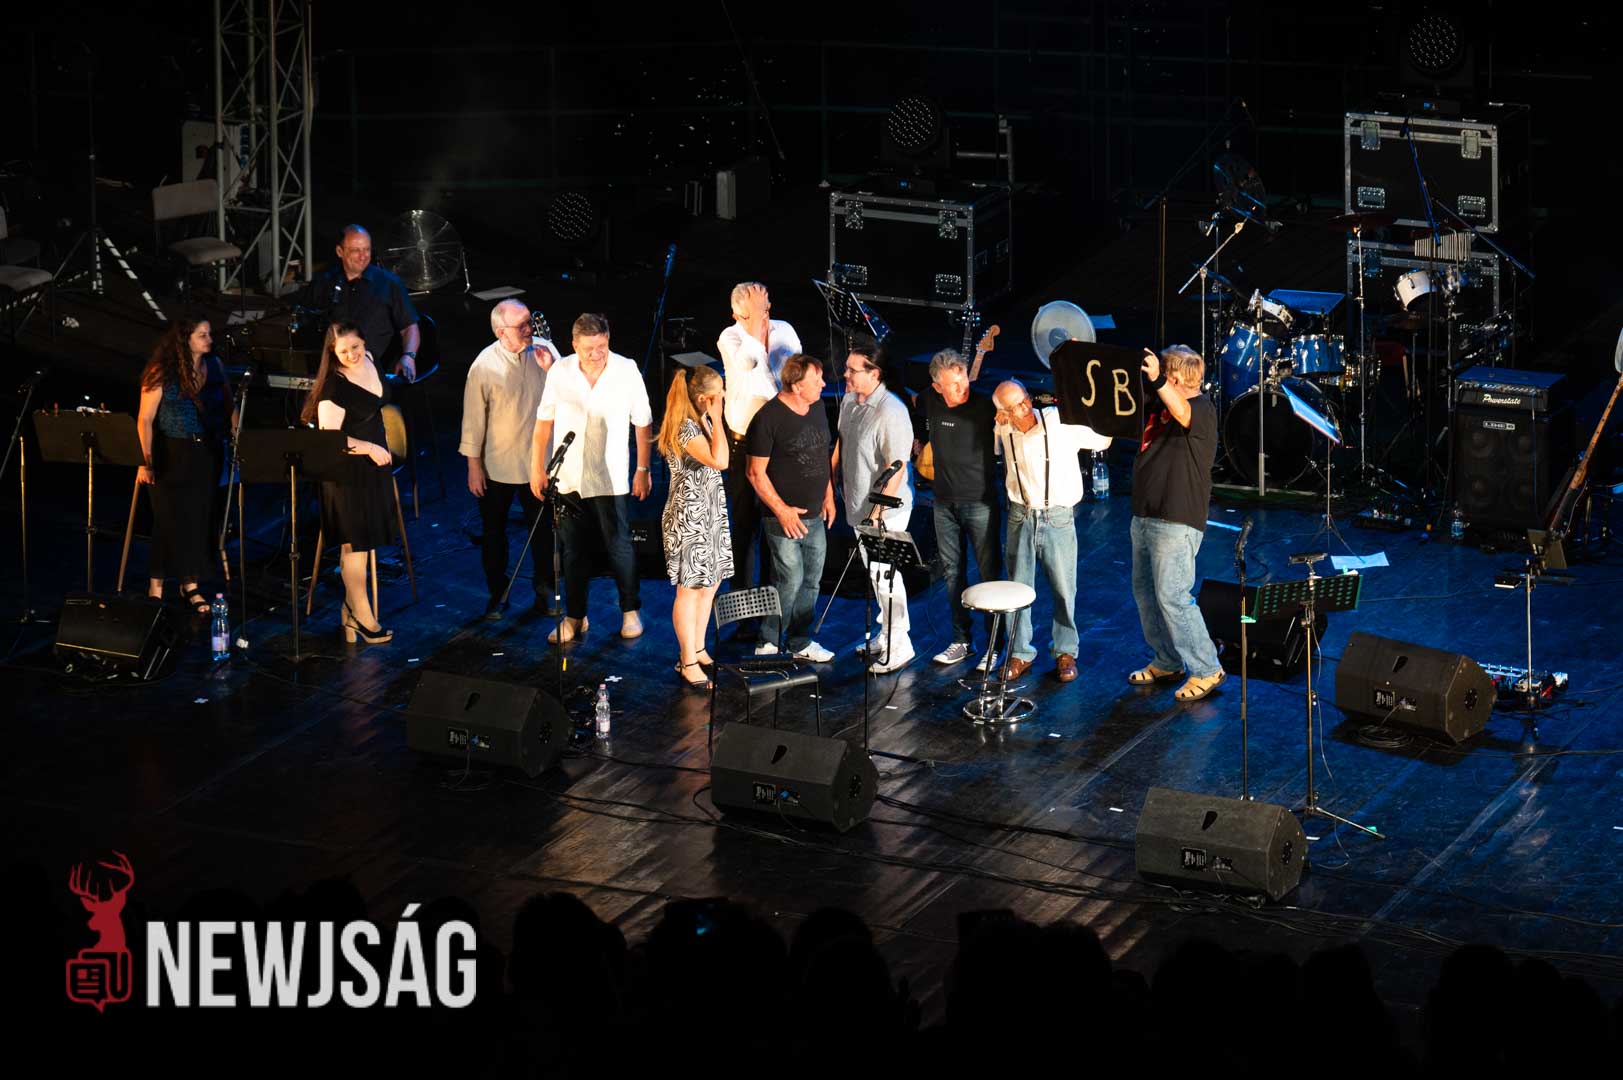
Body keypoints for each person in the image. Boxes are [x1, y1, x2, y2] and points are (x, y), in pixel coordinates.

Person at [529, 313, 652, 644]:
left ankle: (630, 611)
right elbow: (543, 423)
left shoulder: (626, 370)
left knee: (619, 546)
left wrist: (643, 469)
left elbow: (643, 422)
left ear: (608, 340)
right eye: (588, 349)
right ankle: (575, 617)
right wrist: (537, 468)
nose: (596, 354)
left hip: (610, 476)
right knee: (572, 550)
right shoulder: (560, 371)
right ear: (574, 345)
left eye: (601, 346)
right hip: (569, 475)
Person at [992, 379, 1111, 683]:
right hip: (1020, 515)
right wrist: (1000, 424)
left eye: (1024, 398)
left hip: (1056, 515)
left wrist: (1098, 407)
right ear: (1003, 413)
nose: (1025, 407)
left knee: (1063, 588)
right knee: (1017, 588)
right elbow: (995, 447)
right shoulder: (1003, 429)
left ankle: (1065, 651)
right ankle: (1019, 652)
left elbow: (1102, 440)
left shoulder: (1058, 422)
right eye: (1015, 406)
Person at [1129, 345, 1225, 702]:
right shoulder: (1160, 404)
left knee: (1173, 596)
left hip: (1176, 518)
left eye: (1165, 376)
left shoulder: (1202, 409)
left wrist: (1157, 380)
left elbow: (1182, 411)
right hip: (1145, 512)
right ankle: (1167, 660)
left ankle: (1206, 667)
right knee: (1146, 593)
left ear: (1175, 378)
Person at [460, 299, 559, 620]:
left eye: (530, 321)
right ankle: (497, 594)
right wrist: (473, 466)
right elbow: (473, 420)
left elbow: (569, 393)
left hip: (538, 463)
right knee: (494, 534)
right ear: (501, 332)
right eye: (522, 325)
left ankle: (545, 591)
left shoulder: (545, 351)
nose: (529, 329)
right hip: (497, 465)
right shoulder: (483, 366)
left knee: (543, 532)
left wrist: (552, 369)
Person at [301, 321, 397, 644]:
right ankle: (362, 616)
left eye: (355, 347)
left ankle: (350, 611)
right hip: (347, 471)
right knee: (355, 545)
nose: (352, 355)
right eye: (343, 352)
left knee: (364, 543)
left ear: (364, 342)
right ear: (332, 353)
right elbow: (330, 440)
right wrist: (369, 448)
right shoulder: (334, 388)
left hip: (373, 464)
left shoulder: (370, 359)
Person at [716, 281, 801, 644]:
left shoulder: (785, 331)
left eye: (765, 309)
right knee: (744, 527)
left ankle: (770, 608)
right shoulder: (730, 338)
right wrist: (753, 326)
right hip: (744, 444)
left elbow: (791, 381)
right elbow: (757, 377)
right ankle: (743, 613)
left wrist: (761, 324)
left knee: (773, 525)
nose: (763, 317)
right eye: (752, 312)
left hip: (779, 445)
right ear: (737, 314)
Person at [135, 314, 234, 615]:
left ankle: (190, 584)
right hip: (170, 451)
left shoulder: (213, 366)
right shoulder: (162, 370)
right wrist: (145, 461)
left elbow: (229, 404)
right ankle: (155, 586)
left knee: (197, 520)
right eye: (202, 335)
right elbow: (145, 419)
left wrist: (235, 437)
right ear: (185, 339)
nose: (209, 340)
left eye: (209, 334)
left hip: (205, 450)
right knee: (168, 520)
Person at [744, 354, 836, 662]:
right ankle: (768, 641)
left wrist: (828, 495)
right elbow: (755, 473)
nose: (823, 384)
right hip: (783, 517)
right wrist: (782, 510)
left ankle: (799, 641)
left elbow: (822, 455)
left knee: (811, 580)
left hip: (815, 514)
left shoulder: (818, 407)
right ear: (796, 386)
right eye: (816, 380)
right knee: (790, 579)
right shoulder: (768, 418)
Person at [833, 337, 915, 673]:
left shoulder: (891, 411)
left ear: (874, 374)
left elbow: (897, 467)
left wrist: (878, 512)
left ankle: (900, 644)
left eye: (852, 370)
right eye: (847, 368)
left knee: (885, 577)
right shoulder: (849, 401)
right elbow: (840, 444)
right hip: (857, 505)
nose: (846, 375)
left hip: (886, 512)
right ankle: (887, 634)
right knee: (876, 576)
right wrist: (829, 486)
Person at [919, 348, 1002, 668]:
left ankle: (995, 645)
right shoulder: (930, 400)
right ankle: (962, 640)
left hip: (980, 503)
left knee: (989, 575)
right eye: (953, 384)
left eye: (963, 378)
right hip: (943, 504)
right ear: (937, 386)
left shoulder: (983, 405)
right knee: (953, 574)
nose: (962, 387)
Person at [658, 365, 733, 688]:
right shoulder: (686, 428)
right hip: (690, 517)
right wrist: (718, 419)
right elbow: (721, 460)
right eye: (718, 395)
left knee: (710, 584)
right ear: (704, 399)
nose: (723, 397)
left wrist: (713, 419)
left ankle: (699, 647)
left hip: (710, 513)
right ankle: (687, 660)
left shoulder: (701, 420)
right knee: (689, 590)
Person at [303, 225, 421, 380]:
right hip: (334, 374)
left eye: (367, 249)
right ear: (340, 251)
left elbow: (409, 327)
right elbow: (307, 323)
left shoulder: (389, 283)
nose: (363, 256)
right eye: (355, 250)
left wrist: (408, 356)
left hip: (377, 373)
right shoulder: (323, 282)